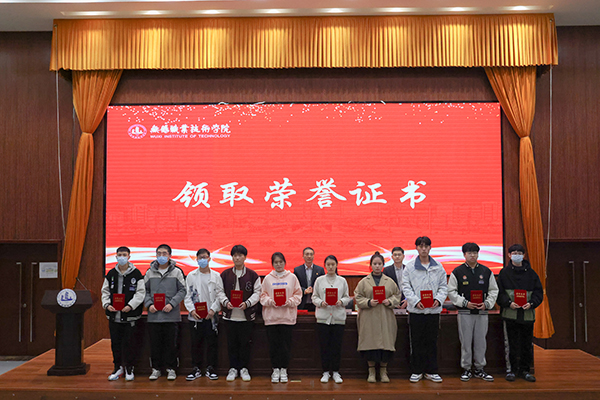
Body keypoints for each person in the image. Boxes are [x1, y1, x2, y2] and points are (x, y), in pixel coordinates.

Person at [448, 242, 499, 382]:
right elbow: (451, 291)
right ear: (464, 254)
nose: (472, 255)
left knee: (481, 342)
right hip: (465, 313)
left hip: (482, 313)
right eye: (469, 253)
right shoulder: (457, 272)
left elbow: (493, 290)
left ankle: (479, 368)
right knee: (465, 342)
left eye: (475, 252)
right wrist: (465, 303)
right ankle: (466, 369)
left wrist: (487, 304)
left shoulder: (486, 271)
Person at [402, 236, 448, 383]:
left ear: (430, 248)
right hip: (416, 311)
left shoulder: (438, 267)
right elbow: (406, 287)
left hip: (433, 311)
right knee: (416, 342)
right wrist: (415, 302)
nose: (423, 249)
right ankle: (416, 371)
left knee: (432, 342)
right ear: (416, 248)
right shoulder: (409, 267)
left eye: (426, 246)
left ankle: (431, 371)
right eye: (420, 246)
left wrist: (438, 300)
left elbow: (443, 286)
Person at [497, 244, 543, 383]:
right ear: (509, 255)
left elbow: (538, 293)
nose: (517, 255)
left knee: (527, 344)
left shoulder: (532, 273)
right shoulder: (504, 273)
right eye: (514, 253)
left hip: (527, 315)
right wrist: (508, 303)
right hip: (510, 314)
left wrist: (532, 303)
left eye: (519, 253)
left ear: (523, 255)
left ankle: (525, 370)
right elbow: (499, 293)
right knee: (511, 344)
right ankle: (511, 370)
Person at [216, 244, 262, 382]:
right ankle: (233, 368)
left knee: (245, 344)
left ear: (245, 257)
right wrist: (225, 302)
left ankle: (244, 368)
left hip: (246, 317)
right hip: (230, 317)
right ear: (232, 257)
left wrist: (247, 303)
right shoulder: (225, 274)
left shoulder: (253, 275)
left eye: (240, 255)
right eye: (235, 255)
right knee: (231, 344)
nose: (237, 258)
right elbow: (219, 291)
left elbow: (257, 293)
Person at [354, 252, 402, 383]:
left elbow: (397, 295)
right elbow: (358, 297)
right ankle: (371, 372)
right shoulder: (364, 282)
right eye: (374, 264)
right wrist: (368, 302)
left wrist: (390, 301)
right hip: (369, 317)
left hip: (385, 317)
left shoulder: (389, 281)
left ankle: (383, 371)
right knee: (370, 345)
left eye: (379, 264)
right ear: (370, 266)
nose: (377, 266)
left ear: (383, 265)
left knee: (386, 345)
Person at [101, 246, 146, 381]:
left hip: (130, 316)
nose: (122, 257)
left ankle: (129, 368)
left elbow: (140, 292)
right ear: (116, 257)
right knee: (116, 343)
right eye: (119, 255)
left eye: (124, 255)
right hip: (114, 317)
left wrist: (131, 306)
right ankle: (118, 367)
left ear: (129, 257)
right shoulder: (111, 273)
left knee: (130, 343)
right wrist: (107, 305)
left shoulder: (136, 273)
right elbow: (105, 291)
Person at [144, 244, 187, 381]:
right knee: (155, 344)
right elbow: (144, 290)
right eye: (159, 253)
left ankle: (171, 369)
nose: (161, 256)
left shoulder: (177, 272)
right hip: (154, 316)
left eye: (164, 253)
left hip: (171, 315)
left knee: (171, 345)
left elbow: (183, 290)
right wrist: (149, 304)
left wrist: (172, 304)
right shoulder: (149, 272)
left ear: (170, 256)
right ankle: (156, 369)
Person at [260, 252, 302, 383]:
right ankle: (275, 370)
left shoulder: (292, 277)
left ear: (285, 263)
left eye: (281, 262)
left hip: (287, 317)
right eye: (276, 262)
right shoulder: (267, 278)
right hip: (271, 318)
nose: (278, 264)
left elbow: (298, 295)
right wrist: (269, 301)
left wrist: (289, 301)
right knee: (273, 345)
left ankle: (284, 369)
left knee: (285, 345)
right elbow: (262, 296)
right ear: (272, 264)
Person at [184, 248, 223, 381]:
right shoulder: (191, 275)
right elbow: (187, 295)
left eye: (205, 257)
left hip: (211, 316)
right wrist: (192, 310)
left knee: (212, 343)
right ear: (196, 260)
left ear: (209, 259)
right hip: (196, 316)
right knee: (196, 343)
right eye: (200, 258)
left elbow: (220, 295)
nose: (202, 260)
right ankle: (196, 368)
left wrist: (213, 310)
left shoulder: (216, 276)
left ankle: (211, 368)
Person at [312, 255, 352, 384]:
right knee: (324, 346)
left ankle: (335, 372)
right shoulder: (319, 280)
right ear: (324, 266)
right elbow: (314, 297)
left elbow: (347, 297)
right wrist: (321, 302)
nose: (330, 267)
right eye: (328, 264)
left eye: (333, 264)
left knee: (336, 347)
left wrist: (341, 301)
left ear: (336, 265)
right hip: (323, 318)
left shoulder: (342, 280)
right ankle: (325, 372)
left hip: (338, 318)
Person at [294, 247, 325, 311]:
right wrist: (304, 290)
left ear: (313, 256)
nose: (309, 256)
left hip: (316, 303)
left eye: (311, 254)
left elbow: (323, 285)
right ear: (303, 256)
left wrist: (314, 290)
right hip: (302, 302)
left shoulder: (320, 270)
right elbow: (295, 286)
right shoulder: (297, 270)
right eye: (307, 254)